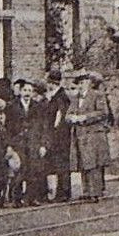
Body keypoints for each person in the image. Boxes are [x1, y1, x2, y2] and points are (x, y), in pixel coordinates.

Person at [69, 72, 115, 202]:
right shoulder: (75, 99)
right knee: (83, 163)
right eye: (79, 83)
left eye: (84, 82)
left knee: (93, 163)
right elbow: (68, 114)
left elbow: (103, 112)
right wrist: (71, 118)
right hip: (80, 135)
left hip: (93, 134)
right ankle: (87, 191)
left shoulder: (97, 95)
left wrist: (85, 117)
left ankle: (95, 192)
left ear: (89, 83)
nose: (82, 85)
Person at [43, 72, 75, 202]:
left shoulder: (60, 97)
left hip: (60, 136)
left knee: (62, 164)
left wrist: (54, 132)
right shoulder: (57, 96)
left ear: (52, 83)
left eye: (50, 83)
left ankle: (64, 193)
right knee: (59, 164)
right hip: (58, 135)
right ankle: (62, 192)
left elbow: (60, 117)